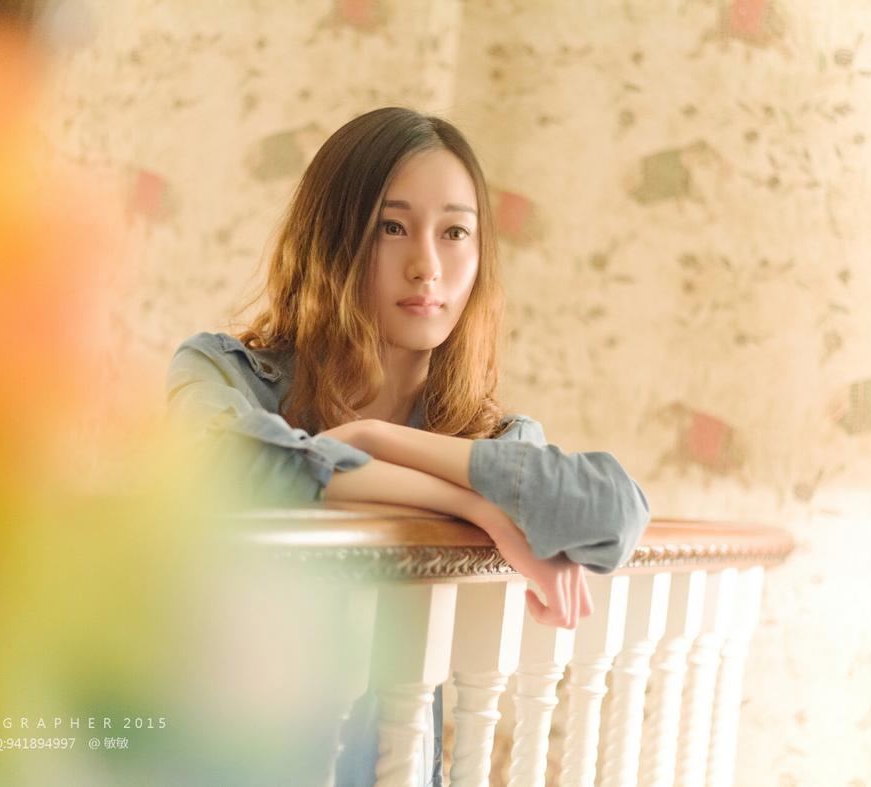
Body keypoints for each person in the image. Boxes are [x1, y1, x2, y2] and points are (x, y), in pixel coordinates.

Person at [166, 106, 651, 787]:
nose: (427, 266)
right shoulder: (224, 372)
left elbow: (615, 514)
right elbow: (236, 464)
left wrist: (375, 438)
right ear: (333, 238)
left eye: (455, 232)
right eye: (391, 228)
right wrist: (476, 508)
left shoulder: (485, 436)